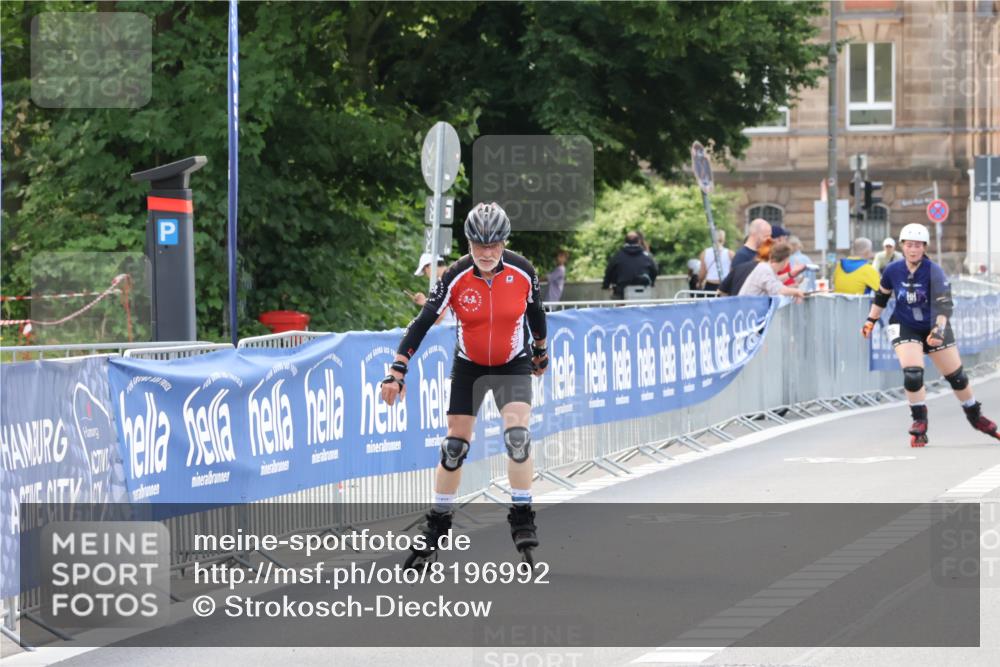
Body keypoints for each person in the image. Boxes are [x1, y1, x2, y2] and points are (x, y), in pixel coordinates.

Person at [381, 202, 547, 563]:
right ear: (469, 243)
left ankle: (522, 515)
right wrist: (397, 369)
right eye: (478, 245)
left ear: (504, 243)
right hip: (470, 365)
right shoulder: (456, 275)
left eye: (493, 245)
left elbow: (536, 311)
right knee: (454, 446)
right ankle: (438, 523)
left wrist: (540, 350)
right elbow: (423, 321)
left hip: (512, 364)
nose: (486, 253)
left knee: (517, 436)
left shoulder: (522, 271)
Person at [861, 223, 1000, 447]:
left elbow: (944, 305)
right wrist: (871, 320)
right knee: (913, 374)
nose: (913, 249)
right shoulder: (892, 270)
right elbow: (881, 297)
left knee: (957, 378)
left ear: (924, 247)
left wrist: (938, 329)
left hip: (934, 323)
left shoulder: (934, 270)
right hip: (905, 324)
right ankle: (919, 421)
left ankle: (975, 415)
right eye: (909, 245)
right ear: (902, 246)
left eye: (917, 245)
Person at [737, 241, 806, 300]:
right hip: (748, 311)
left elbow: (775, 281)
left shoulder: (766, 268)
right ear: (786, 260)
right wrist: (797, 291)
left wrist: (790, 274)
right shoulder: (765, 270)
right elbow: (778, 290)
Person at [602, 231, 658, 299]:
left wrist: (606, 285)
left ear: (625, 241)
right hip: (642, 293)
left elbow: (609, 271)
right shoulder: (647, 257)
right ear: (638, 241)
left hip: (621, 293)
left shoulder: (618, 256)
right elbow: (654, 270)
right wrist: (652, 283)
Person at [409, 253, 455, 325]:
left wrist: (423, 328)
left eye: (424, 271)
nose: (425, 275)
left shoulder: (444, 280)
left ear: (429, 266)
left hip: (449, 329)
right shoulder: (452, 276)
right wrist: (426, 302)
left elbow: (440, 314)